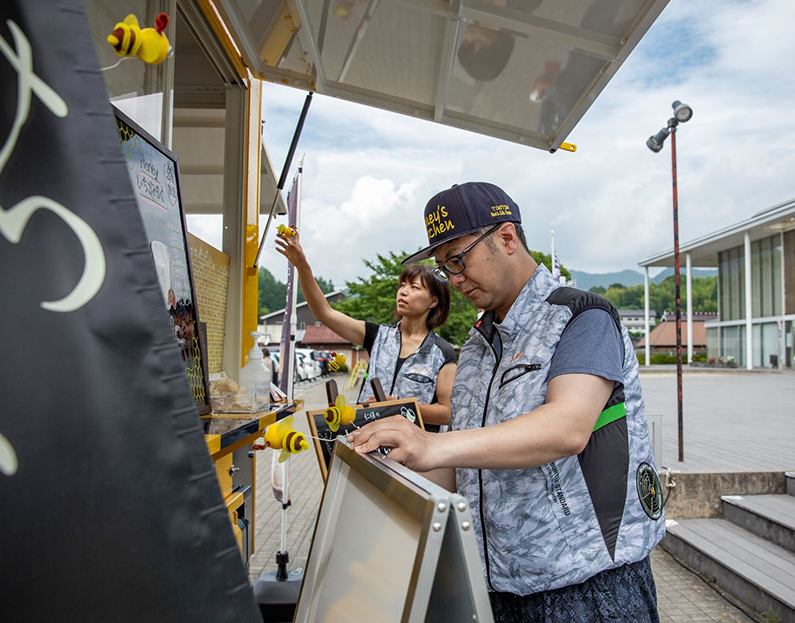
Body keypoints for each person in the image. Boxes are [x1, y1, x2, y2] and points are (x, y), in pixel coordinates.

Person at [349, 183, 664, 622]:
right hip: (501, 589)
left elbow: (567, 428)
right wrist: (386, 468)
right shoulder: (476, 348)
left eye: (458, 259)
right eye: (443, 267)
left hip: (589, 590)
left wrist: (433, 444)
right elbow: (465, 465)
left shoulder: (582, 317)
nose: (454, 279)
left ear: (507, 237)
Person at [275, 227, 456, 430]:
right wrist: (302, 266)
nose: (403, 292)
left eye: (414, 287)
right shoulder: (377, 335)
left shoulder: (442, 352)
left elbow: (447, 413)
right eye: (402, 285)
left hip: (411, 447)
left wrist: (397, 406)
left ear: (433, 301)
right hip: (365, 439)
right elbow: (324, 313)